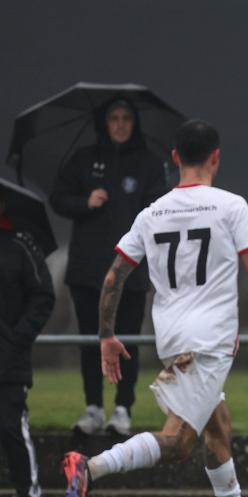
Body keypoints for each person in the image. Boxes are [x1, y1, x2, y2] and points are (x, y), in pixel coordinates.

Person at [60, 119, 248, 497]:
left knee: (217, 426)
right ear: (215, 158)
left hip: (171, 337)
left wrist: (107, 335)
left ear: (174, 159)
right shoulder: (230, 206)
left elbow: (114, 276)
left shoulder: (151, 213)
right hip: (206, 343)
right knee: (179, 442)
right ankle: (88, 468)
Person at [50, 97, 168, 437]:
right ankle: (93, 409)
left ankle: (123, 409)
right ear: (104, 122)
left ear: (134, 123)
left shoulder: (149, 163)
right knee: (92, 339)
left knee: (128, 339)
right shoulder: (84, 160)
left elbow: (160, 208)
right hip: (87, 270)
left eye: (126, 118)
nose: (119, 124)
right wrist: (84, 202)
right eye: (113, 117)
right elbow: (58, 198)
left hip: (131, 272)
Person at [0, 198, 55, 497]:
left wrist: (17, 338)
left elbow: (43, 296)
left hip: (10, 358)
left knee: (10, 426)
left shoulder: (21, 246)